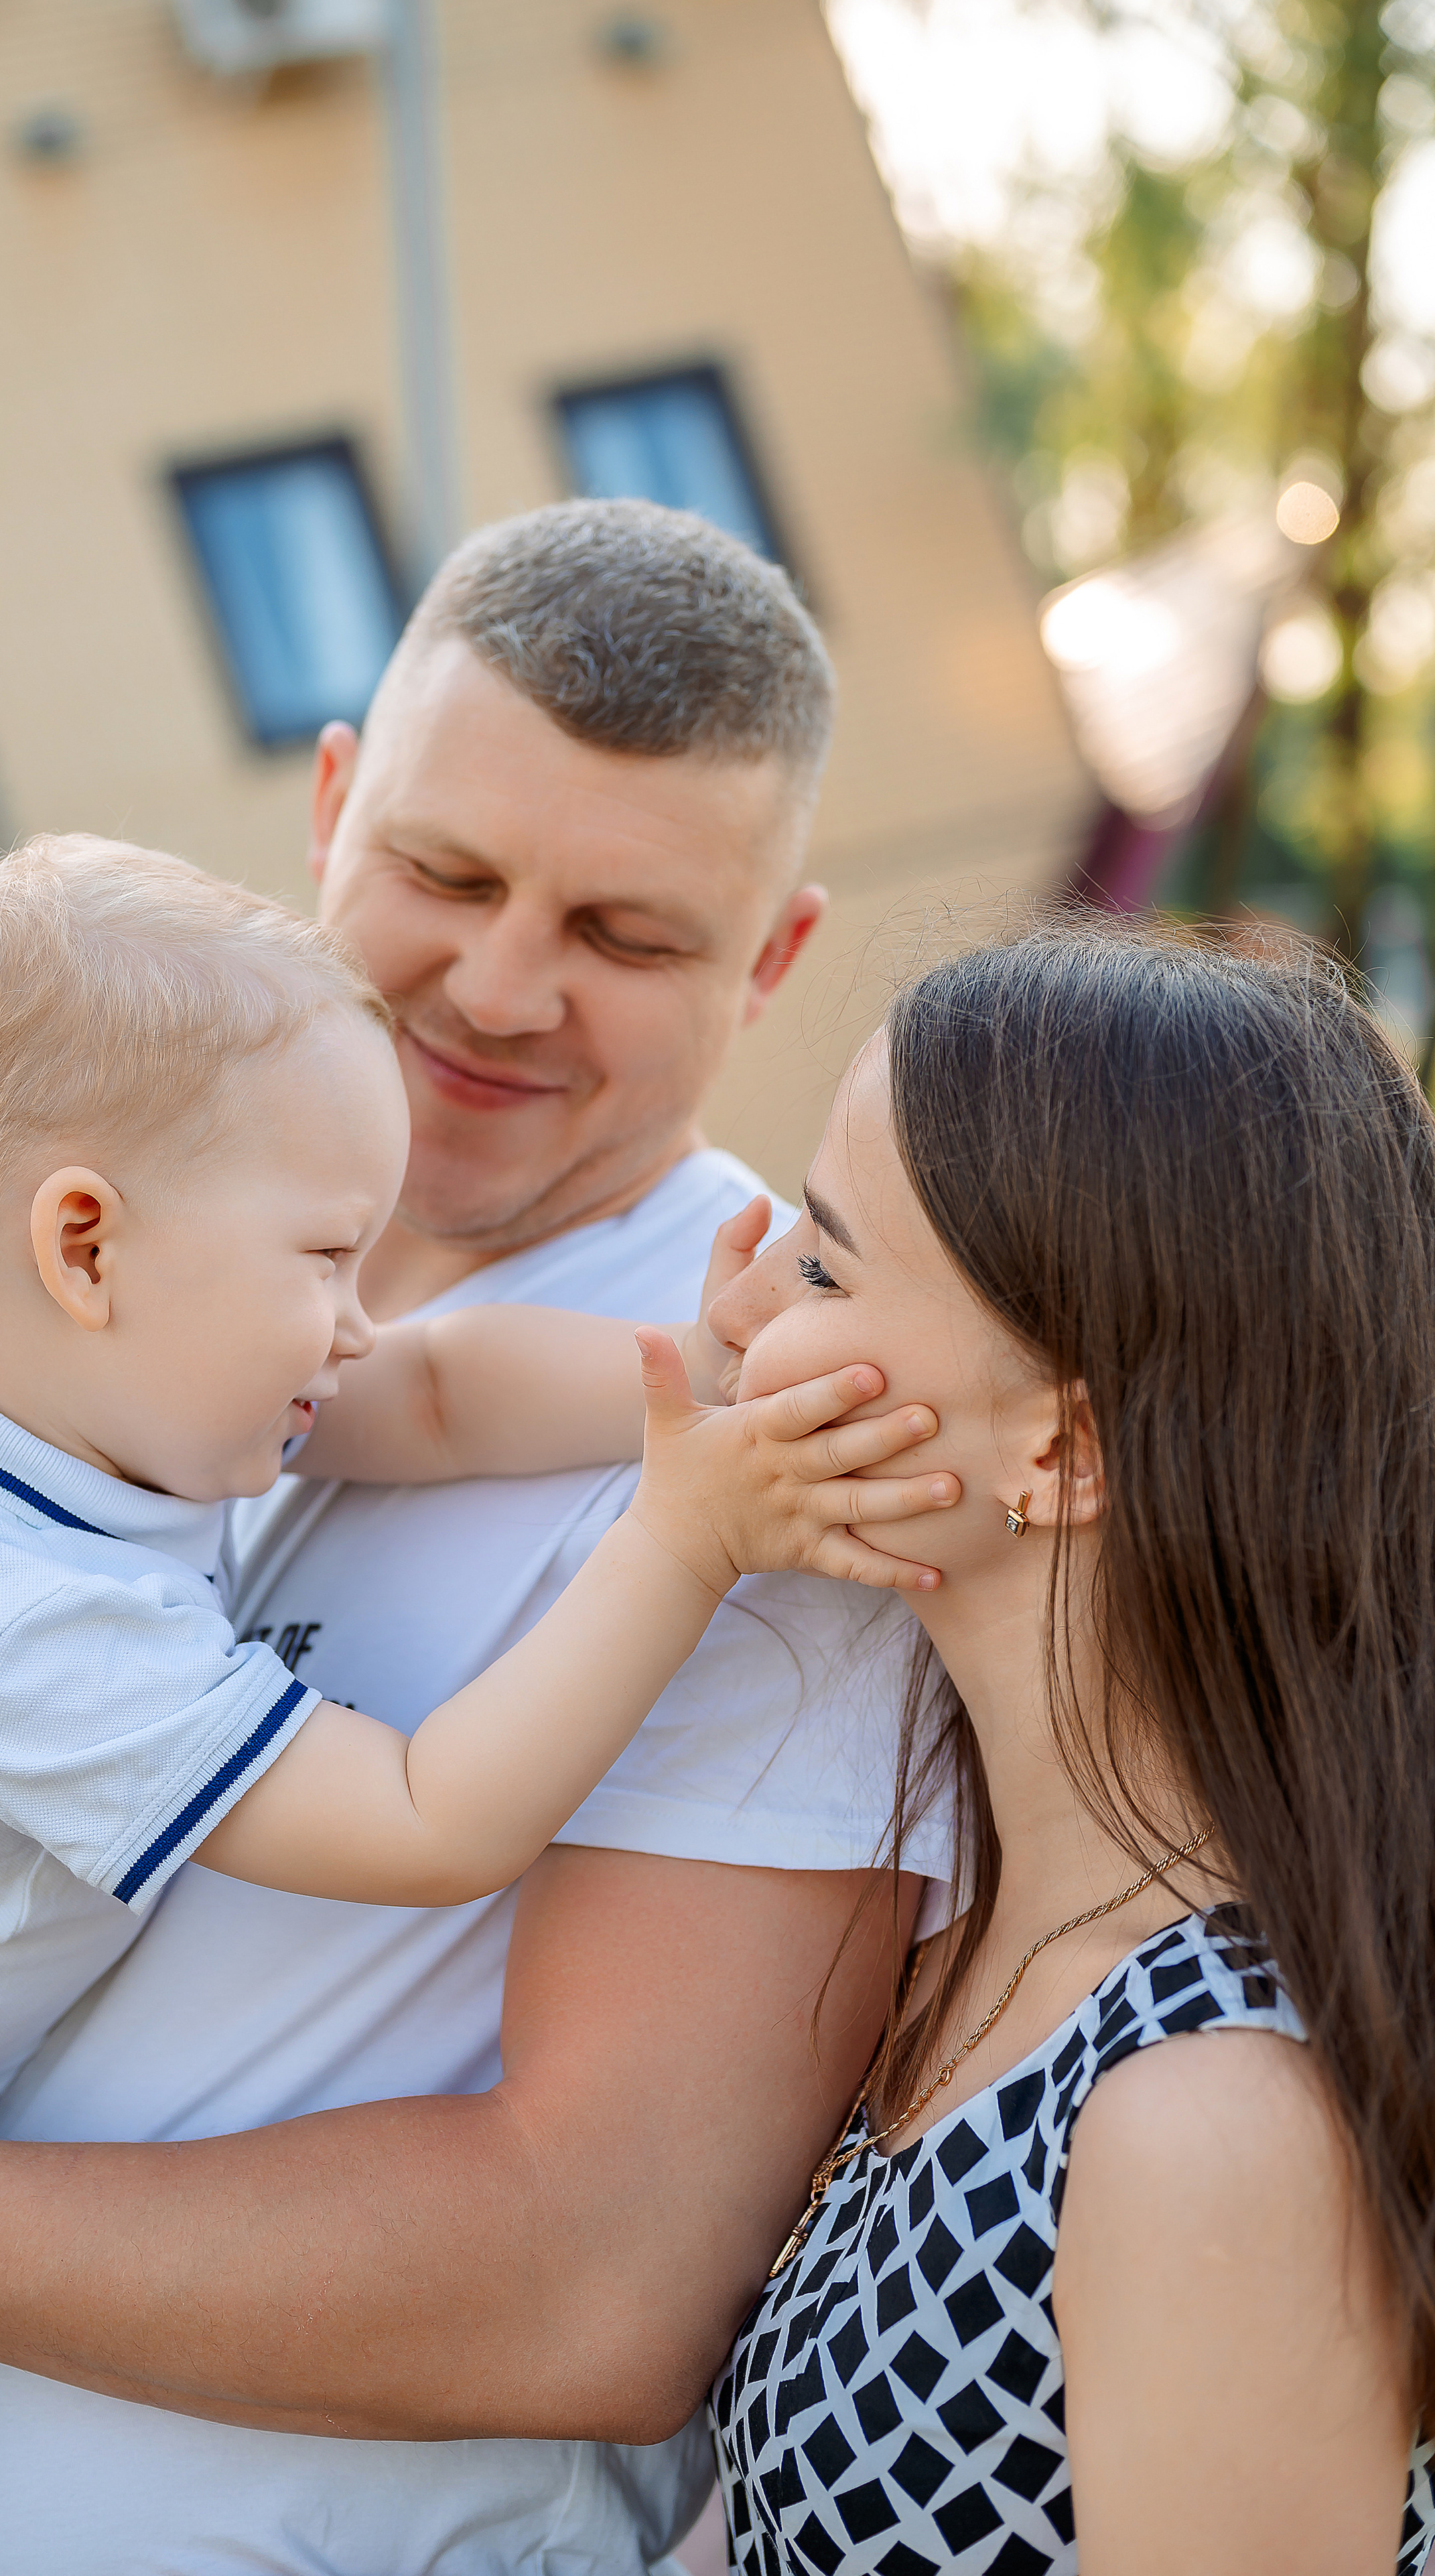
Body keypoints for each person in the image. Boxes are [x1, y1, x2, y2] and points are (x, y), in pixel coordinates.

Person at [0, 501, 957, 2574]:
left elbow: (596, 2283)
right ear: (326, 806)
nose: (494, 984)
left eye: (627, 934)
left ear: (777, 961)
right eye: (445, 871)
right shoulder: (96, 1308)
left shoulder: (771, 1476)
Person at [706, 923, 1435, 2573]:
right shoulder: (972, 1910)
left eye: (818, 1268)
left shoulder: (1211, 2120)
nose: (736, 1303)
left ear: (1064, 1444)